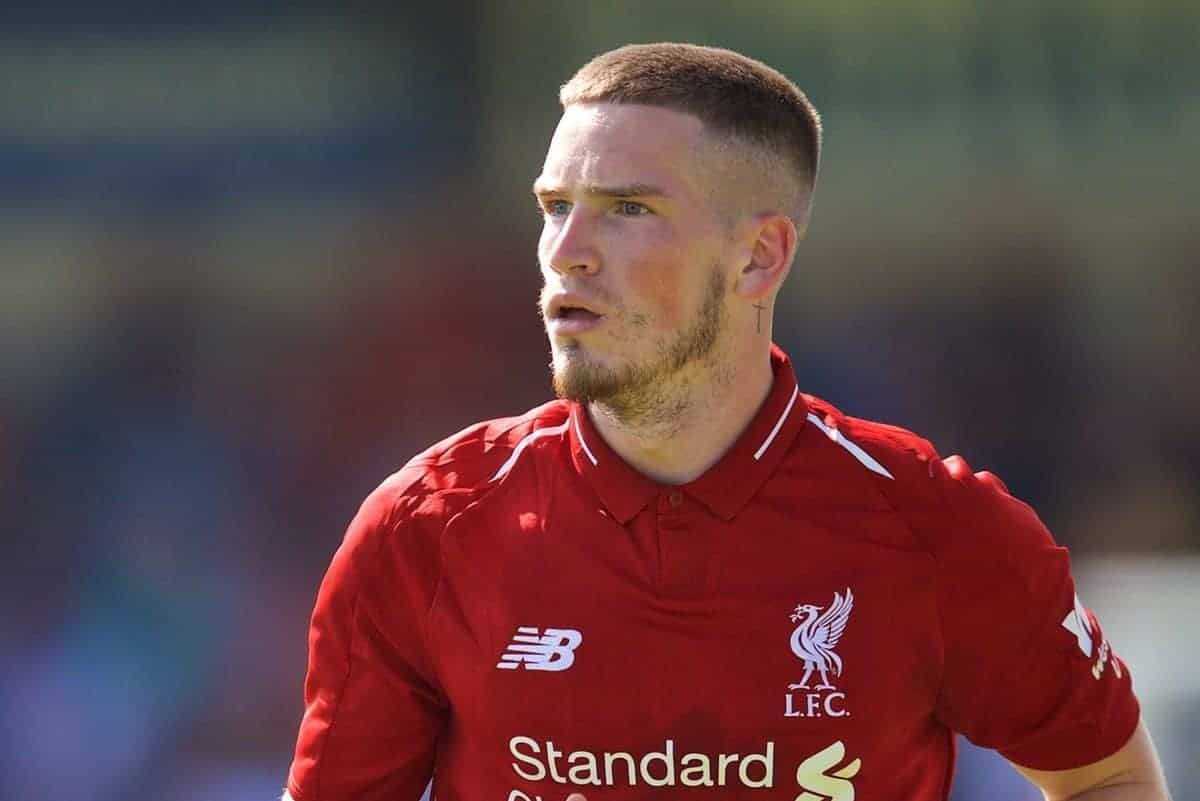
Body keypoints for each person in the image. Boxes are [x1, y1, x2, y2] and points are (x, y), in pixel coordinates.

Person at [283, 43, 1170, 801]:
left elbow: (1106, 776)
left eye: (628, 208)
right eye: (555, 207)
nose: (566, 250)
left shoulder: (938, 530)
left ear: (759, 255)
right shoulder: (426, 528)